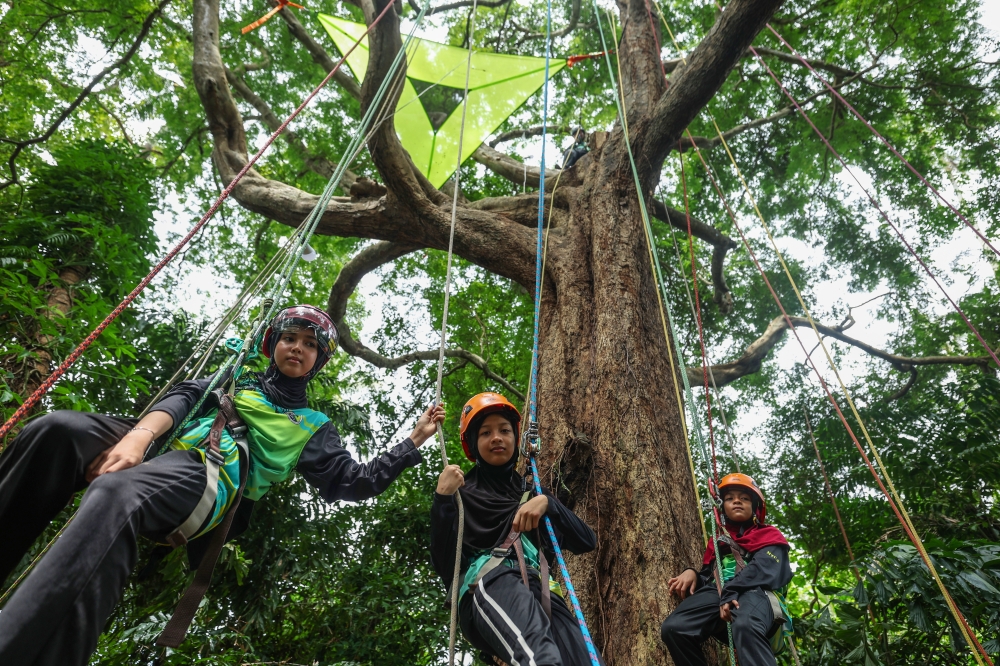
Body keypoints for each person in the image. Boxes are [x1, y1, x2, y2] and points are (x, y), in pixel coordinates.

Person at [0, 304, 445, 666]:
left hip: (211, 471)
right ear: (273, 344)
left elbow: (353, 481)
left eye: (311, 346)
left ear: (318, 361)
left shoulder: (312, 424)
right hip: (164, 437)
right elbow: (187, 396)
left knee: (118, 494)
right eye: (290, 337)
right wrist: (139, 437)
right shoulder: (239, 372)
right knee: (54, 431)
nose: (298, 348)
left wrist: (414, 440)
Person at [430, 392, 603, 666]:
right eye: (486, 432)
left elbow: (587, 540)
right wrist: (442, 499)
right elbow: (445, 563)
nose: (496, 437)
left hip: (541, 589)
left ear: (515, 439)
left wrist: (547, 503)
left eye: (504, 430)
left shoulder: (531, 492)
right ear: (473, 445)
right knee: (540, 656)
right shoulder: (462, 493)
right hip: (489, 582)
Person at [660, 473, 792, 666]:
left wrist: (732, 590)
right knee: (675, 628)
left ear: (755, 507)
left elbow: (766, 568)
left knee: (746, 623)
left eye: (744, 498)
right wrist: (694, 574)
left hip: (757, 593)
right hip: (721, 593)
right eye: (730, 498)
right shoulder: (718, 541)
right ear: (722, 508)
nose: (737, 501)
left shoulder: (769, 535)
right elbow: (710, 574)